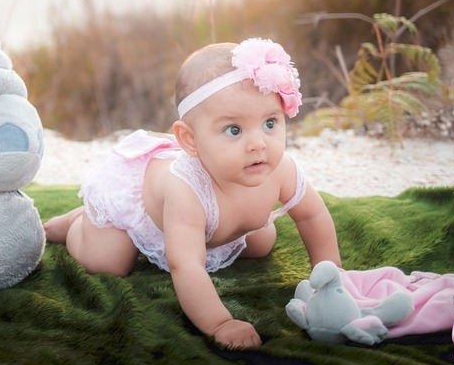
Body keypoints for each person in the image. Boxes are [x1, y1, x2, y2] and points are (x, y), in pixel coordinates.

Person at [44, 38, 341, 349]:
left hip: (207, 227)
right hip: (147, 210)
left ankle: (226, 209)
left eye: (270, 123)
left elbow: (312, 214)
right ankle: (75, 222)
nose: (258, 144)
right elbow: (185, 265)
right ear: (190, 140)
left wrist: (333, 274)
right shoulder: (185, 189)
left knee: (262, 240)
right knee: (106, 261)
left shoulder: (281, 168)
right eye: (234, 130)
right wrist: (220, 323)